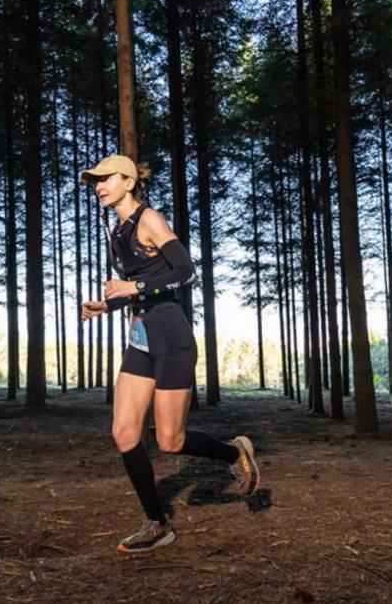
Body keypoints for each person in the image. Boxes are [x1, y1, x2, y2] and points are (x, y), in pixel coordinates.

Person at [79, 154, 259, 554]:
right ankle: (157, 524)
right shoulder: (117, 231)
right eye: (95, 181)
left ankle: (234, 452)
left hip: (172, 337)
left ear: (128, 181)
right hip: (141, 338)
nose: (98, 186)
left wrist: (133, 291)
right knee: (124, 433)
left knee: (171, 441)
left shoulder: (149, 219)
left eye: (105, 178)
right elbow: (143, 284)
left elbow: (186, 272)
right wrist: (105, 306)